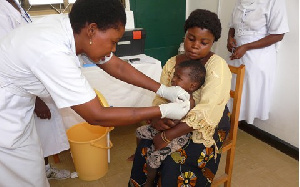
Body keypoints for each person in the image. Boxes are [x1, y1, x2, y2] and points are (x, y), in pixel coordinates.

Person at [0, 0, 191, 186]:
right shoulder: (53, 51)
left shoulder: (73, 29)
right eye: (113, 41)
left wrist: (163, 89)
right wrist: (163, 110)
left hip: (17, 106)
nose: (114, 49)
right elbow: (97, 115)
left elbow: (118, 66)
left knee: (31, 169)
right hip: (5, 116)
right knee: (24, 177)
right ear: (91, 29)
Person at [129, 9, 232, 186]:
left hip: (208, 123)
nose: (195, 45)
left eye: (204, 42)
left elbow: (207, 110)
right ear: (185, 35)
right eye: (191, 38)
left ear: (212, 43)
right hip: (174, 115)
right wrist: (157, 119)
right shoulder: (172, 63)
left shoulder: (217, 66)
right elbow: (161, 98)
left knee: (173, 162)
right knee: (145, 144)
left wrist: (168, 135)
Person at [0, 0, 71, 180]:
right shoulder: (2, 10)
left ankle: (44, 170)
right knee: (25, 155)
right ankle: (40, 173)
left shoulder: (16, 3)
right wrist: (39, 101)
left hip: (26, 89)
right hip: (14, 93)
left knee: (38, 139)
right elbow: (9, 57)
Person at [135, 60, 206, 186]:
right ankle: (139, 153)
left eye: (179, 78)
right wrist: (155, 119)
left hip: (177, 136)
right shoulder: (174, 95)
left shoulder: (189, 103)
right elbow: (163, 110)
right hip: (163, 127)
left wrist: (160, 123)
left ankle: (150, 181)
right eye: (174, 75)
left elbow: (175, 123)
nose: (173, 80)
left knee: (154, 158)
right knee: (139, 131)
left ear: (192, 86)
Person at [227, 0, 289, 124]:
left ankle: (233, 128)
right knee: (232, 89)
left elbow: (278, 35)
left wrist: (246, 47)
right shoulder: (240, 1)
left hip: (258, 58)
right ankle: (228, 125)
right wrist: (230, 38)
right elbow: (233, 26)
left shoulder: (275, 2)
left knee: (248, 93)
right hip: (237, 54)